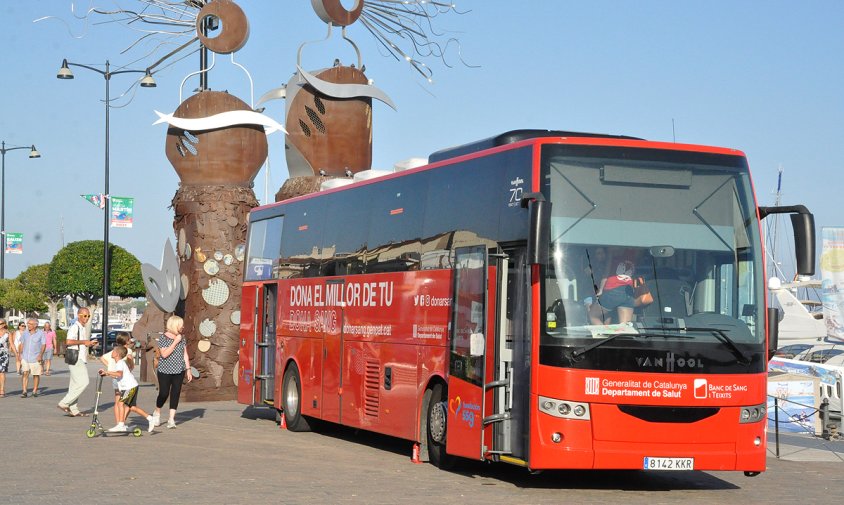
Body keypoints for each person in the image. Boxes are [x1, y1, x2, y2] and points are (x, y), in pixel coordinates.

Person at [98, 345, 155, 433]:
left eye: (113, 351)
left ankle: (121, 425)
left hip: (129, 387)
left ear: (117, 354)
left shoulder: (120, 363)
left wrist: (107, 372)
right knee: (132, 407)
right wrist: (106, 374)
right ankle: (150, 418)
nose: (111, 353)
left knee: (120, 403)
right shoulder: (119, 363)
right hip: (131, 386)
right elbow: (118, 375)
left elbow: (119, 374)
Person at [57, 308, 98, 416]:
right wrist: (84, 342)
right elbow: (68, 341)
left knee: (75, 385)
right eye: (85, 316)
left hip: (80, 357)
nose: (87, 318)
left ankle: (73, 409)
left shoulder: (82, 327)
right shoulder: (75, 327)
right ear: (79, 315)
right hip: (76, 358)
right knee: (84, 382)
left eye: (88, 316)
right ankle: (64, 403)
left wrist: (89, 344)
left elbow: (80, 343)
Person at [153, 315, 192, 429]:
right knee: (164, 393)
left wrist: (188, 369)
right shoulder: (163, 338)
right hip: (165, 370)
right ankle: (157, 411)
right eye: (181, 325)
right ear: (175, 325)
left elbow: (185, 354)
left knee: (175, 393)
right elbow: (164, 354)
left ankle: (171, 419)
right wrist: (175, 342)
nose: (183, 327)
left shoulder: (182, 338)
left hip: (179, 370)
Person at [99, 332, 135, 426]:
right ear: (127, 341)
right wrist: (131, 367)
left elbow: (102, 358)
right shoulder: (127, 350)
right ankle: (122, 421)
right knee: (127, 403)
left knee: (117, 401)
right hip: (124, 380)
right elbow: (130, 359)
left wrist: (110, 367)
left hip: (114, 378)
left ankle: (118, 422)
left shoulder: (114, 350)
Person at [589, 259, 637, 325]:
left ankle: (604, 334)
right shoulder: (635, 253)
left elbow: (606, 274)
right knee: (625, 326)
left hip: (612, 291)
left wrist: (601, 290)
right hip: (628, 291)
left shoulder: (612, 253)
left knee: (593, 316)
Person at [18, 318, 46, 398]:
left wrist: (40, 355)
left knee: (36, 375)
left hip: (36, 357)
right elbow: (22, 344)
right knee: (25, 373)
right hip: (25, 357)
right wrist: (20, 354)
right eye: (28, 324)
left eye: (30, 324)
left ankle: (34, 391)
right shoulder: (25, 333)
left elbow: (44, 345)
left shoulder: (41, 333)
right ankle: (24, 391)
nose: (28, 325)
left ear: (35, 325)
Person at [0, 319, 9, 397]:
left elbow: (12, 344)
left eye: (0, 324)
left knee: (2, 372)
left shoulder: (7, 333)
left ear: (4, 324)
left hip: (4, 355)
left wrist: (17, 354)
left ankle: (2, 389)